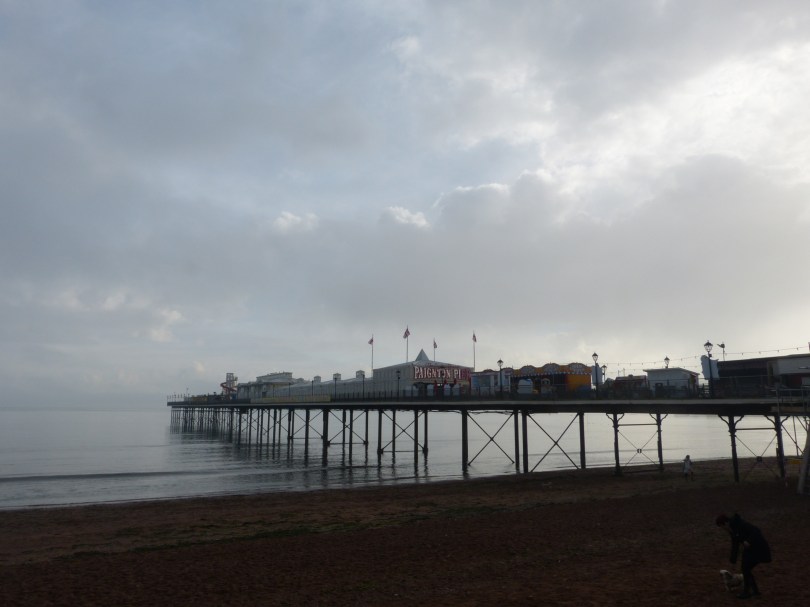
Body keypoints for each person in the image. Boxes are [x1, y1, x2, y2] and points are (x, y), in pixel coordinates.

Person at [716, 513, 772, 599]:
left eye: (722, 527)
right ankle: (754, 591)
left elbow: (756, 531)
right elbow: (735, 546)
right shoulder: (732, 530)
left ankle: (748, 592)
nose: (723, 529)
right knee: (746, 569)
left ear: (725, 523)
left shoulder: (740, 524)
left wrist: (749, 540)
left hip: (759, 547)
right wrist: (733, 561)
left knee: (746, 568)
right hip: (750, 549)